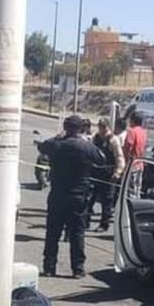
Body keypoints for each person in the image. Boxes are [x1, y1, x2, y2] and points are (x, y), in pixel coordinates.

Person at [38, 115, 106, 278]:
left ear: (65, 128)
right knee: (77, 233)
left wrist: (58, 136)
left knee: (53, 232)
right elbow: (101, 159)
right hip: (78, 196)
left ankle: (49, 266)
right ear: (81, 128)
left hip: (58, 194)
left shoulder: (57, 144)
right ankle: (78, 268)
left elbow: (42, 147)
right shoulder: (85, 146)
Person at [92, 118, 125, 231]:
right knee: (90, 197)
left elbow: (120, 158)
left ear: (108, 127)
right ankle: (84, 221)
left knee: (107, 200)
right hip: (96, 172)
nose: (102, 128)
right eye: (100, 126)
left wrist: (118, 172)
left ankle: (104, 224)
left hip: (108, 174)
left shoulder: (113, 140)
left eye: (104, 126)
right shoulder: (96, 138)